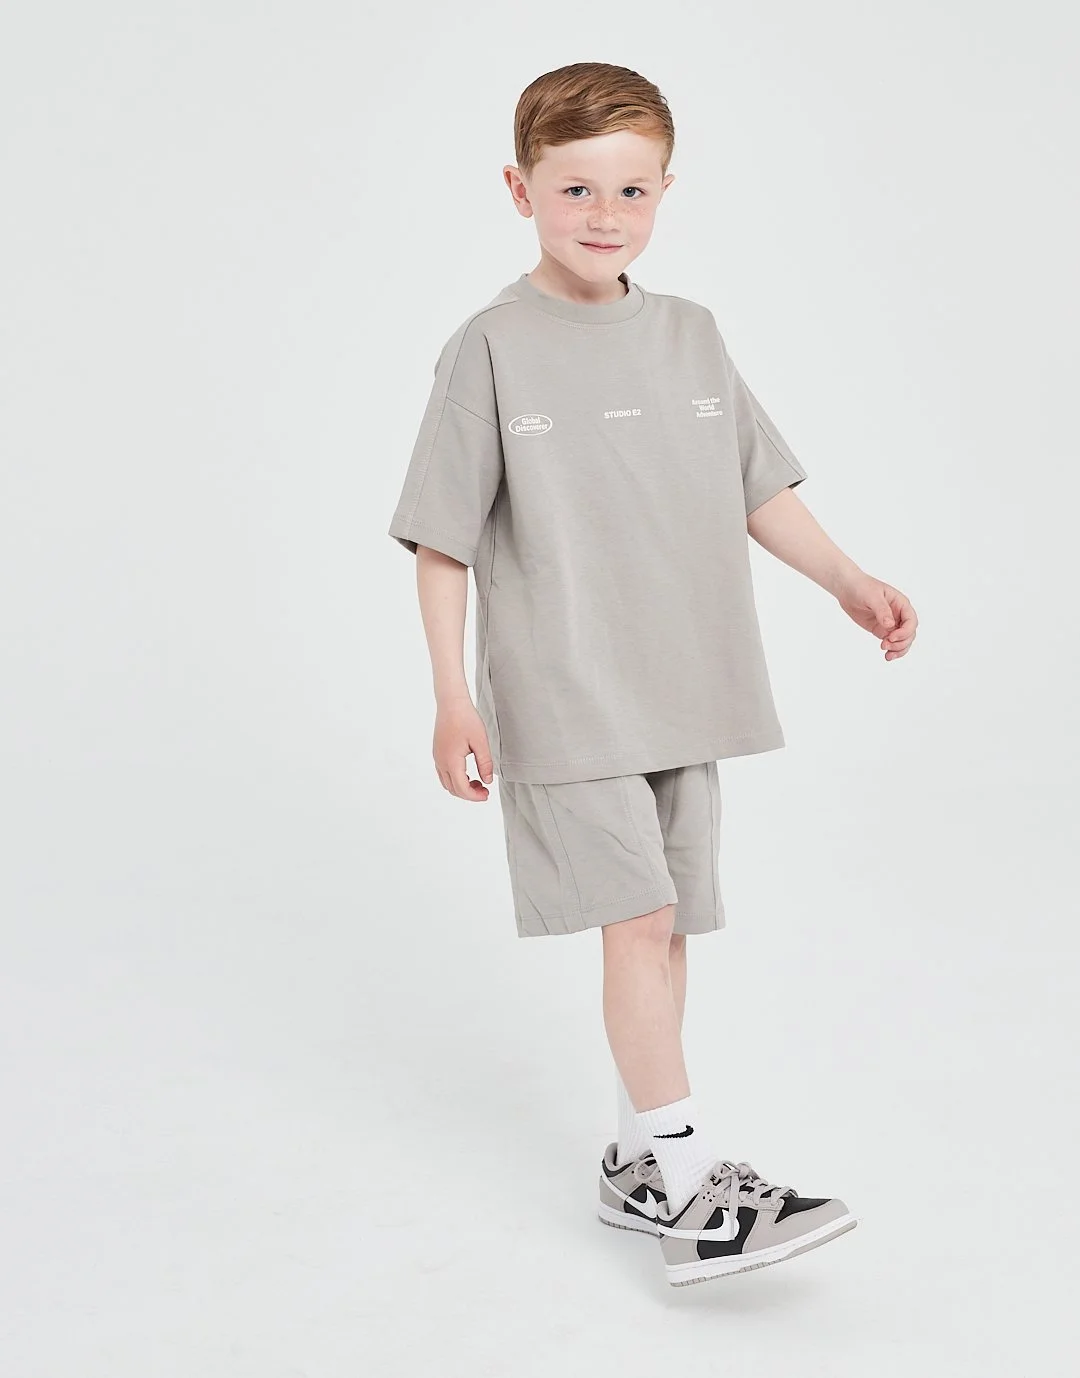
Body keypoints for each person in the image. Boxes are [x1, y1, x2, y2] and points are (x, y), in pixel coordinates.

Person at [386, 61, 918, 1288]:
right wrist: (452, 695)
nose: (604, 213)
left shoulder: (692, 334)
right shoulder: (489, 349)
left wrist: (846, 580)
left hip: (686, 680)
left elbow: (756, 487)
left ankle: (639, 1166)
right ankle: (694, 1190)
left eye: (631, 189)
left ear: (666, 191)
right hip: (564, 691)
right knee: (633, 917)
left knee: (668, 925)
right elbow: (441, 538)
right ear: (520, 189)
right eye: (576, 187)